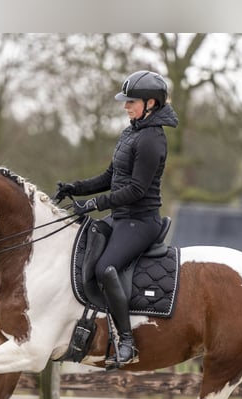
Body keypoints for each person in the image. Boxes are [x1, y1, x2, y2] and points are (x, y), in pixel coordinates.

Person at [55, 70, 179, 367]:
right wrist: (77, 187)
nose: (125, 106)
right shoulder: (132, 132)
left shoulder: (152, 140)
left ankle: (126, 341)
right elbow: (113, 176)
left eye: (131, 102)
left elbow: (136, 190)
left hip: (141, 222)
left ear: (151, 103)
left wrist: (94, 203)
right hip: (121, 217)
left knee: (106, 267)